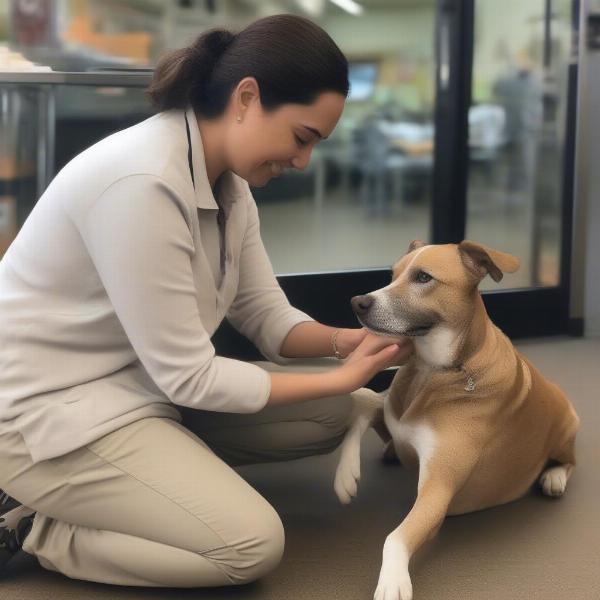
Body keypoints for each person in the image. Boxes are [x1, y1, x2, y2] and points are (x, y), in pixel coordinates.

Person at [0, 14, 412, 588]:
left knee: (334, 416)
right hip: (46, 415)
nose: (302, 163)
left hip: (139, 388)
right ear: (247, 98)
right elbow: (191, 378)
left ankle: (152, 478)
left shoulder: (231, 186)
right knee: (249, 547)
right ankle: (30, 523)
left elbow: (266, 316)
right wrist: (340, 377)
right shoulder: (140, 182)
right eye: (301, 138)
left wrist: (345, 343)